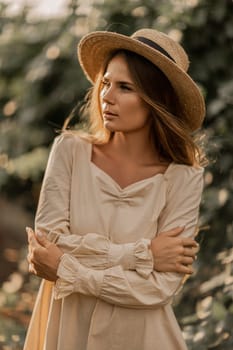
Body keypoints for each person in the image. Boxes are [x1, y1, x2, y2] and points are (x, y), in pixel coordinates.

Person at [24, 28, 205, 350]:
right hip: (67, 333)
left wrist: (68, 269)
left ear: (157, 100)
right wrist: (144, 254)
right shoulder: (69, 151)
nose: (107, 96)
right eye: (106, 83)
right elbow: (47, 243)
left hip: (144, 339)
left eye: (125, 87)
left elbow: (159, 288)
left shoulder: (184, 179)